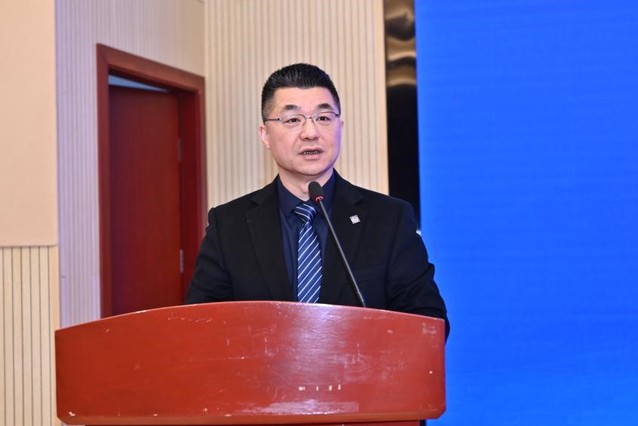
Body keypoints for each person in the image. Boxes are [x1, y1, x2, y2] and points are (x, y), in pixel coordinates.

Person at [185, 63, 449, 338]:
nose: (310, 132)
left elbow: (429, 324)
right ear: (265, 135)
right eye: (292, 120)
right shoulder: (229, 225)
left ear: (340, 127)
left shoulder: (389, 219)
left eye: (323, 117)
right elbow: (199, 328)